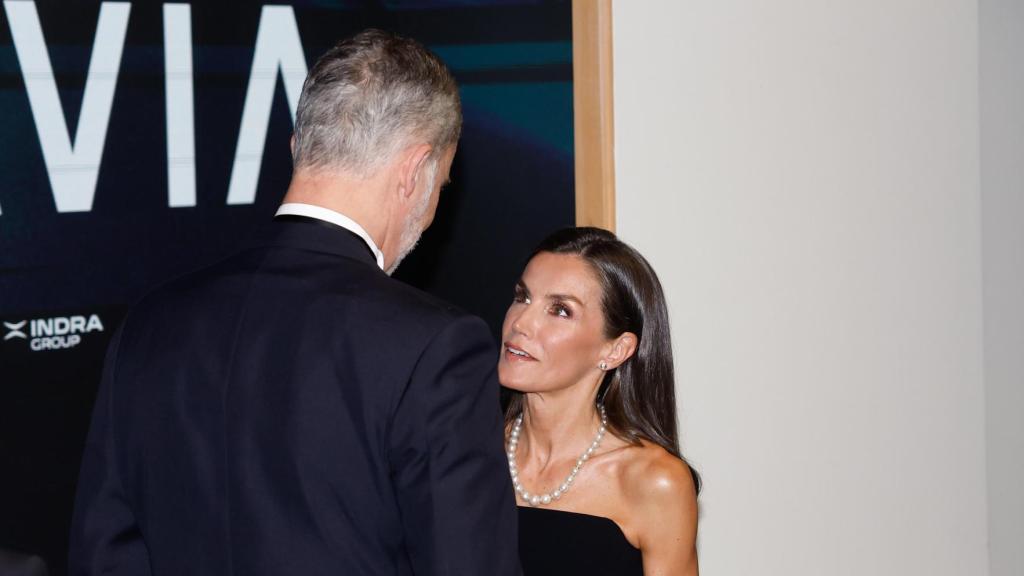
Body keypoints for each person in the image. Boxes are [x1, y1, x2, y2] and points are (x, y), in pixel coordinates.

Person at [69, 30, 520, 576]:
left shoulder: (150, 322)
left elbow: (105, 557)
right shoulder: (435, 347)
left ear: (297, 148)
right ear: (414, 171)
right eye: (442, 185)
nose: (430, 212)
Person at [498, 227, 699, 576]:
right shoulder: (463, 451)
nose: (521, 323)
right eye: (522, 297)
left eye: (560, 310)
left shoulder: (653, 481)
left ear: (616, 350)